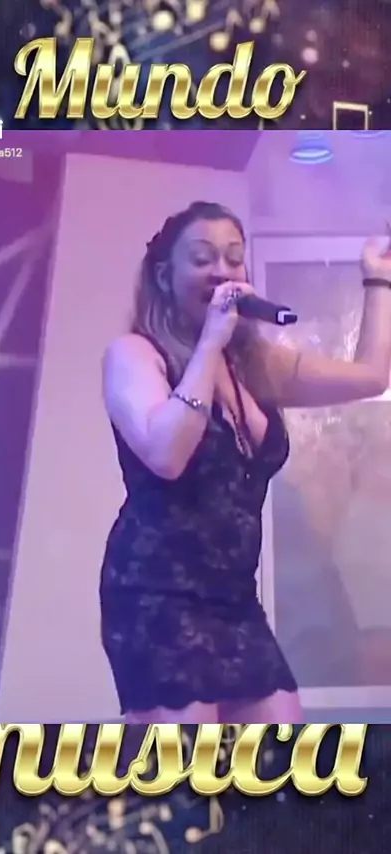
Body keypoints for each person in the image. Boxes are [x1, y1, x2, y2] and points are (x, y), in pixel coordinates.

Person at [99, 201, 391, 724]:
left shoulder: (256, 367)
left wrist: (378, 279)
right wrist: (210, 341)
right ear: (165, 277)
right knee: (186, 764)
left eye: (234, 258)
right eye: (203, 258)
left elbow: (371, 376)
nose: (222, 271)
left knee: (283, 757)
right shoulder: (135, 355)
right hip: (156, 593)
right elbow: (166, 454)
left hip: (233, 598)